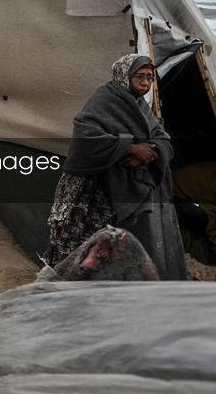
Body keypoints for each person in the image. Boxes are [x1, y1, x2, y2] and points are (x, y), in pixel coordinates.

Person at [44, 54, 186, 280]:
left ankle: (82, 288)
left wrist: (147, 153)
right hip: (86, 188)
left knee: (98, 243)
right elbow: (85, 135)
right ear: (124, 76)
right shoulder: (105, 99)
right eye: (139, 76)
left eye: (150, 77)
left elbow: (162, 139)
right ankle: (55, 286)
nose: (145, 83)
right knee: (72, 238)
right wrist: (129, 148)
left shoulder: (140, 106)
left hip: (111, 191)